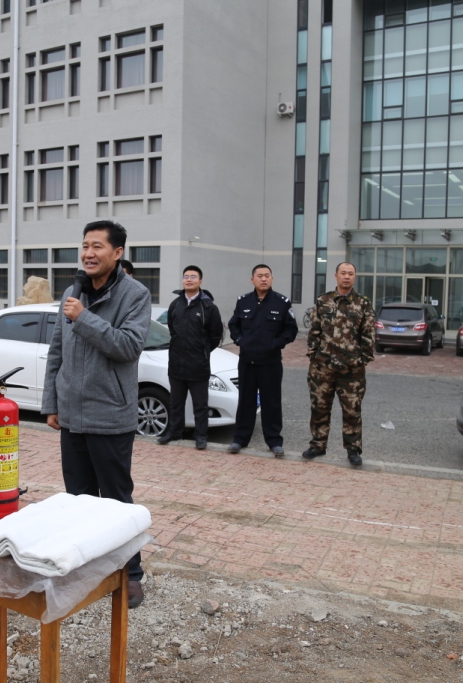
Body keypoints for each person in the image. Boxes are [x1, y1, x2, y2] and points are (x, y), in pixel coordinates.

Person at [42, 220, 151, 608]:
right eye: (85, 246)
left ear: (117, 253)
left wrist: (83, 317)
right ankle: (86, 570)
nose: (88, 253)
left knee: (117, 503)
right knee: (78, 500)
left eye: (97, 246)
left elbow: (128, 347)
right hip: (72, 417)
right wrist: (51, 403)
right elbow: (57, 350)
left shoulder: (135, 295)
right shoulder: (73, 292)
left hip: (110, 416)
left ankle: (131, 574)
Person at [303, 262, 376, 467]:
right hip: (322, 367)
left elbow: (368, 334)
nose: (346, 276)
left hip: (351, 370)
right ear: (336, 275)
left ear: (354, 277)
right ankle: (318, 445)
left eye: (350, 273)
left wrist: (362, 360)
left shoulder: (363, 303)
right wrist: (314, 356)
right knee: (319, 408)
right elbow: (314, 331)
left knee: (352, 411)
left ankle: (353, 450)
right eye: (343, 273)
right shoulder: (323, 300)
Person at [227, 264, 298, 457]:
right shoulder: (243, 301)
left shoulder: (281, 302)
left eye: (267, 275)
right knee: (246, 401)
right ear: (253, 279)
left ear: (272, 279)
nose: (263, 279)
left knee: (271, 403)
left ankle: (274, 441)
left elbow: (291, 330)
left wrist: (276, 344)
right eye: (259, 276)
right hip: (247, 361)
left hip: (270, 362)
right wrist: (240, 340)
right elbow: (234, 325)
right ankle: (240, 439)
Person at [157, 266, 224, 450]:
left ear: (200, 281)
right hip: (177, 363)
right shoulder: (175, 304)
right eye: (186, 276)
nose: (189, 279)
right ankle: (174, 432)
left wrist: (202, 351)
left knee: (200, 404)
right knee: (175, 403)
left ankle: (201, 436)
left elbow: (216, 335)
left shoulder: (208, 307)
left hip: (198, 365)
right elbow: (172, 329)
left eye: (193, 277)